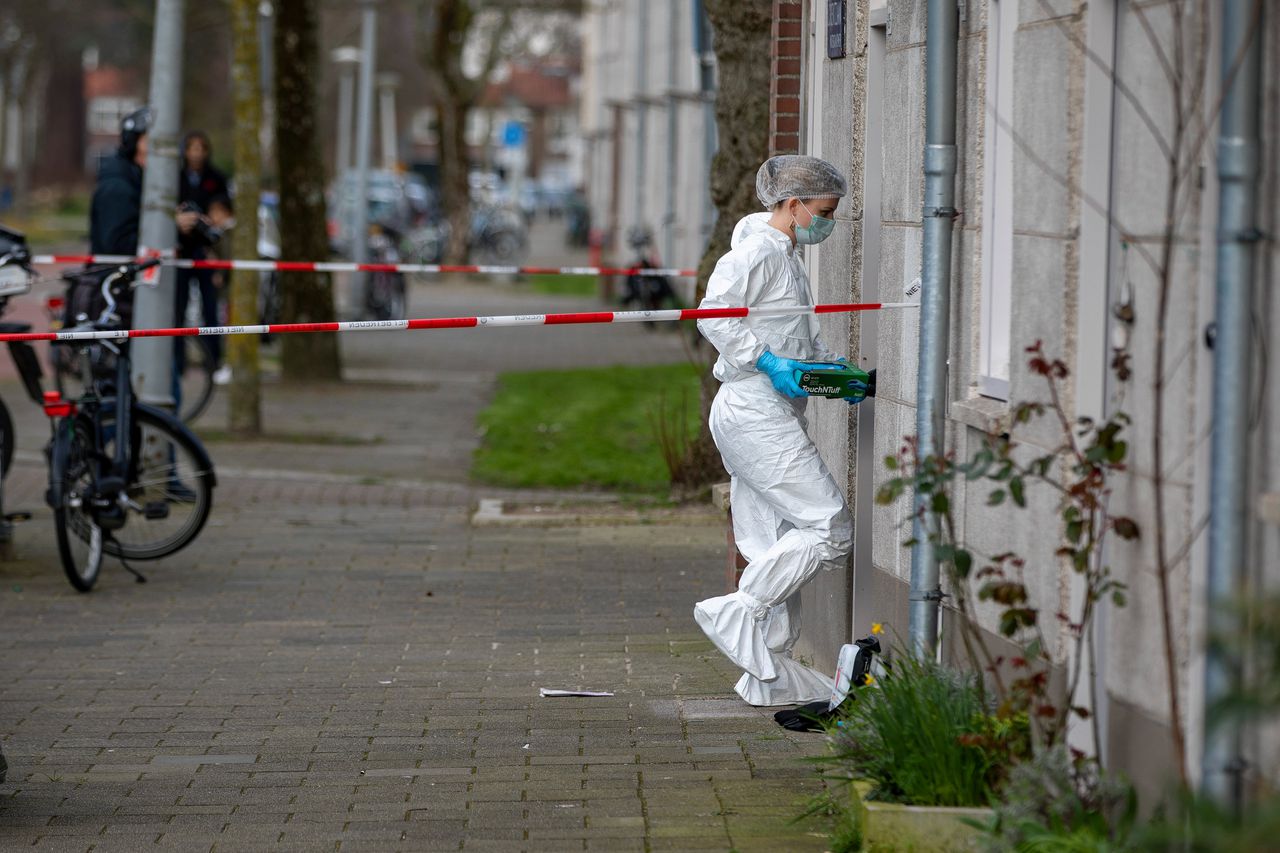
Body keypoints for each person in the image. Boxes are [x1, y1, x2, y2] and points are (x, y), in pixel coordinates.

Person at [692, 155, 868, 707]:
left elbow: (791, 334)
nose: (828, 222)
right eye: (824, 211)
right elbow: (713, 314)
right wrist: (765, 361)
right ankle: (740, 611)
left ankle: (764, 670)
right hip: (753, 410)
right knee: (829, 529)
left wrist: (829, 373)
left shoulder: (786, 256)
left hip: (765, 410)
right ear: (792, 205)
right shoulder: (756, 252)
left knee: (769, 540)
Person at [175, 131, 233, 386]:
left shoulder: (217, 179)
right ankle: (178, 362)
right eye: (192, 148)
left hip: (208, 253)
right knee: (178, 308)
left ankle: (215, 361)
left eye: (201, 148)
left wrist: (215, 220)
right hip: (180, 251)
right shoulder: (174, 178)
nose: (196, 153)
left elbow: (227, 214)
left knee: (211, 310)